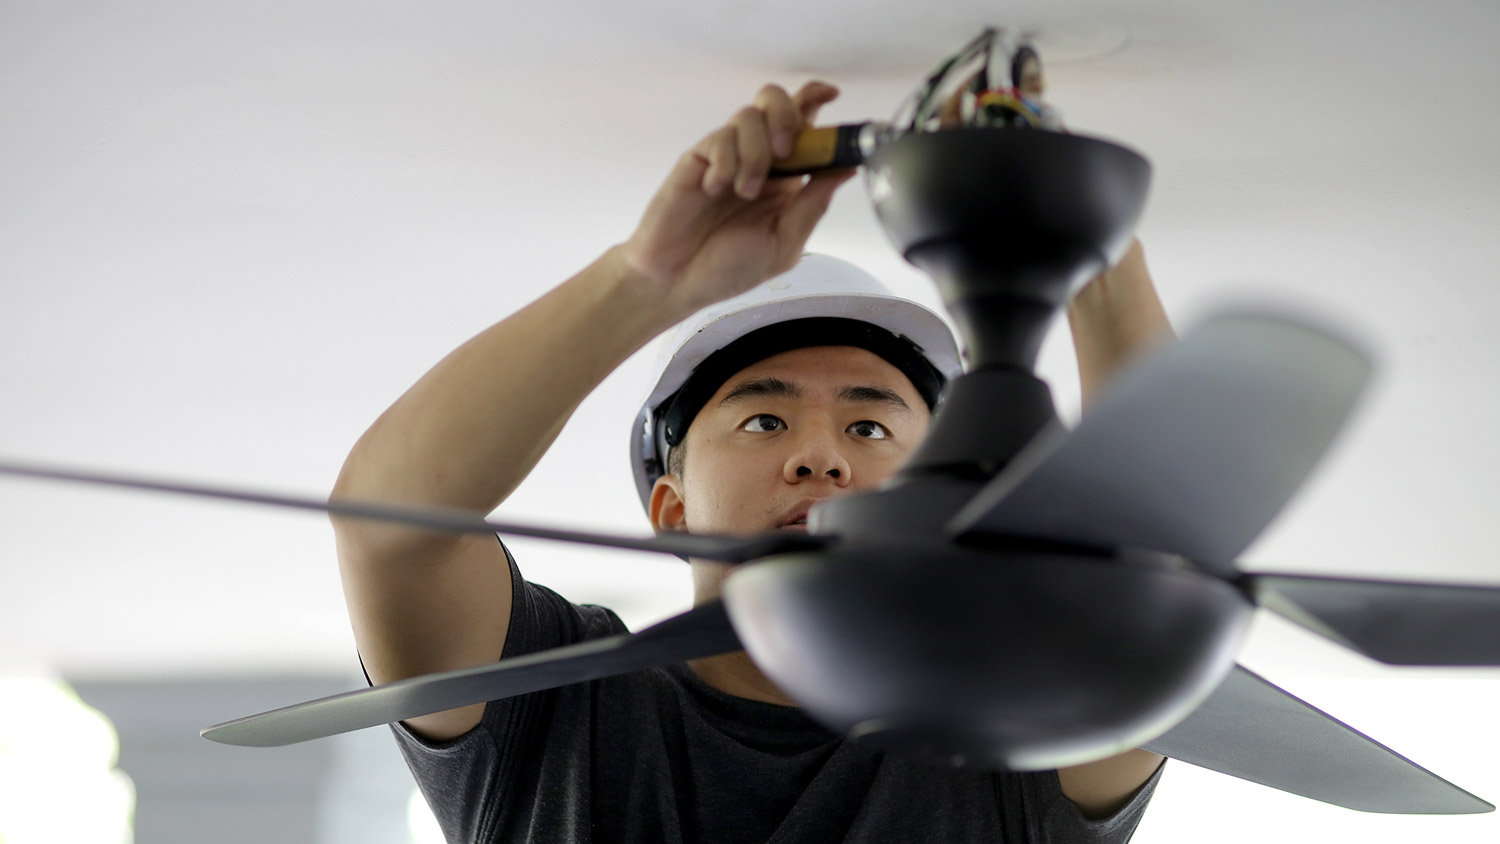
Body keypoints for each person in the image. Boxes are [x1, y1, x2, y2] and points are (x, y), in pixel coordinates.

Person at [331, 80, 1174, 843]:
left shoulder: (1016, 722)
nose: (820, 458)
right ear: (672, 508)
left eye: (870, 428)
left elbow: (1162, 581)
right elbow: (392, 529)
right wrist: (647, 279)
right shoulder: (554, 706)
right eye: (765, 420)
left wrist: (1082, 244)